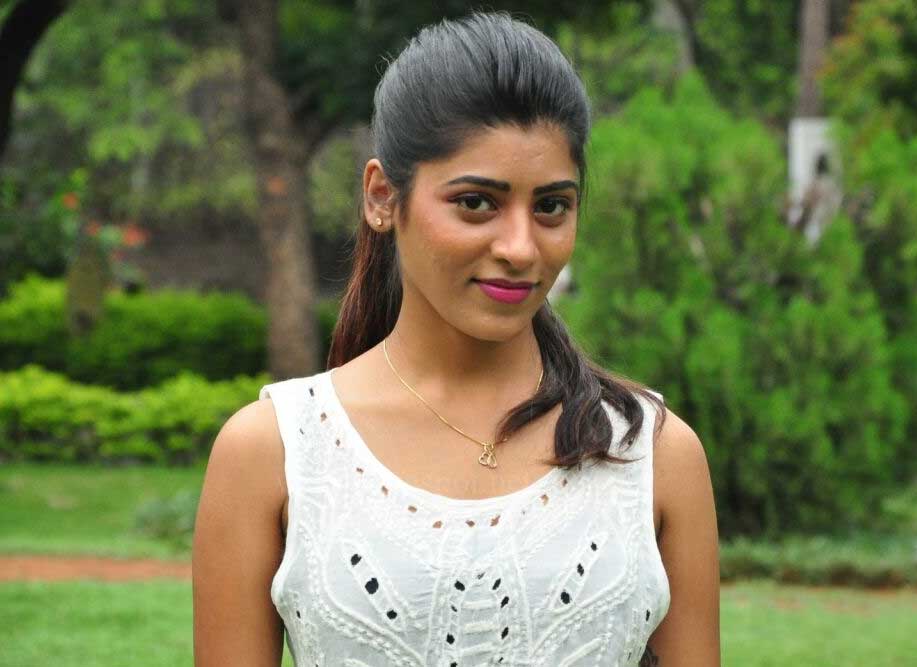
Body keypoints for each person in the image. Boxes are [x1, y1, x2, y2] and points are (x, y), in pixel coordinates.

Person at [193, 11, 719, 667]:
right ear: (382, 197)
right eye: (476, 203)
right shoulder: (276, 451)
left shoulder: (651, 453)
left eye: (551, 206)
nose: (520, 248)